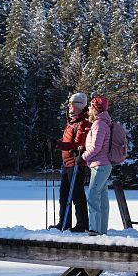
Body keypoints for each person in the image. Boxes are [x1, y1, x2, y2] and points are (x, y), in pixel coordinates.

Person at [48, 92, 91, 232]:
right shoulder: (71, 123)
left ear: (79, 106)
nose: (69, 106)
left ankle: (82, 224)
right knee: (64, 195)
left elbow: (78, 144)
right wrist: (54, 144)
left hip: (77, 164)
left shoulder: (83, 123)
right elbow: (67, 142)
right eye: (69, 104)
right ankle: (64, 222)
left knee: (77, 195)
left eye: (72, 104)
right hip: (67, 164)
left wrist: (59, 145)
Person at [81, 96, 113, 236]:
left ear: (95, 108)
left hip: (100, 166)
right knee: (102, 198)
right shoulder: (102, 123)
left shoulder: (99, 124)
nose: (88, 109)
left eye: (90, 107)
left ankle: (95, 229)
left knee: (93, 196)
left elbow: (96, 147)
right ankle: (101, 230)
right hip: (103, 165)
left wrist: (82, 157)